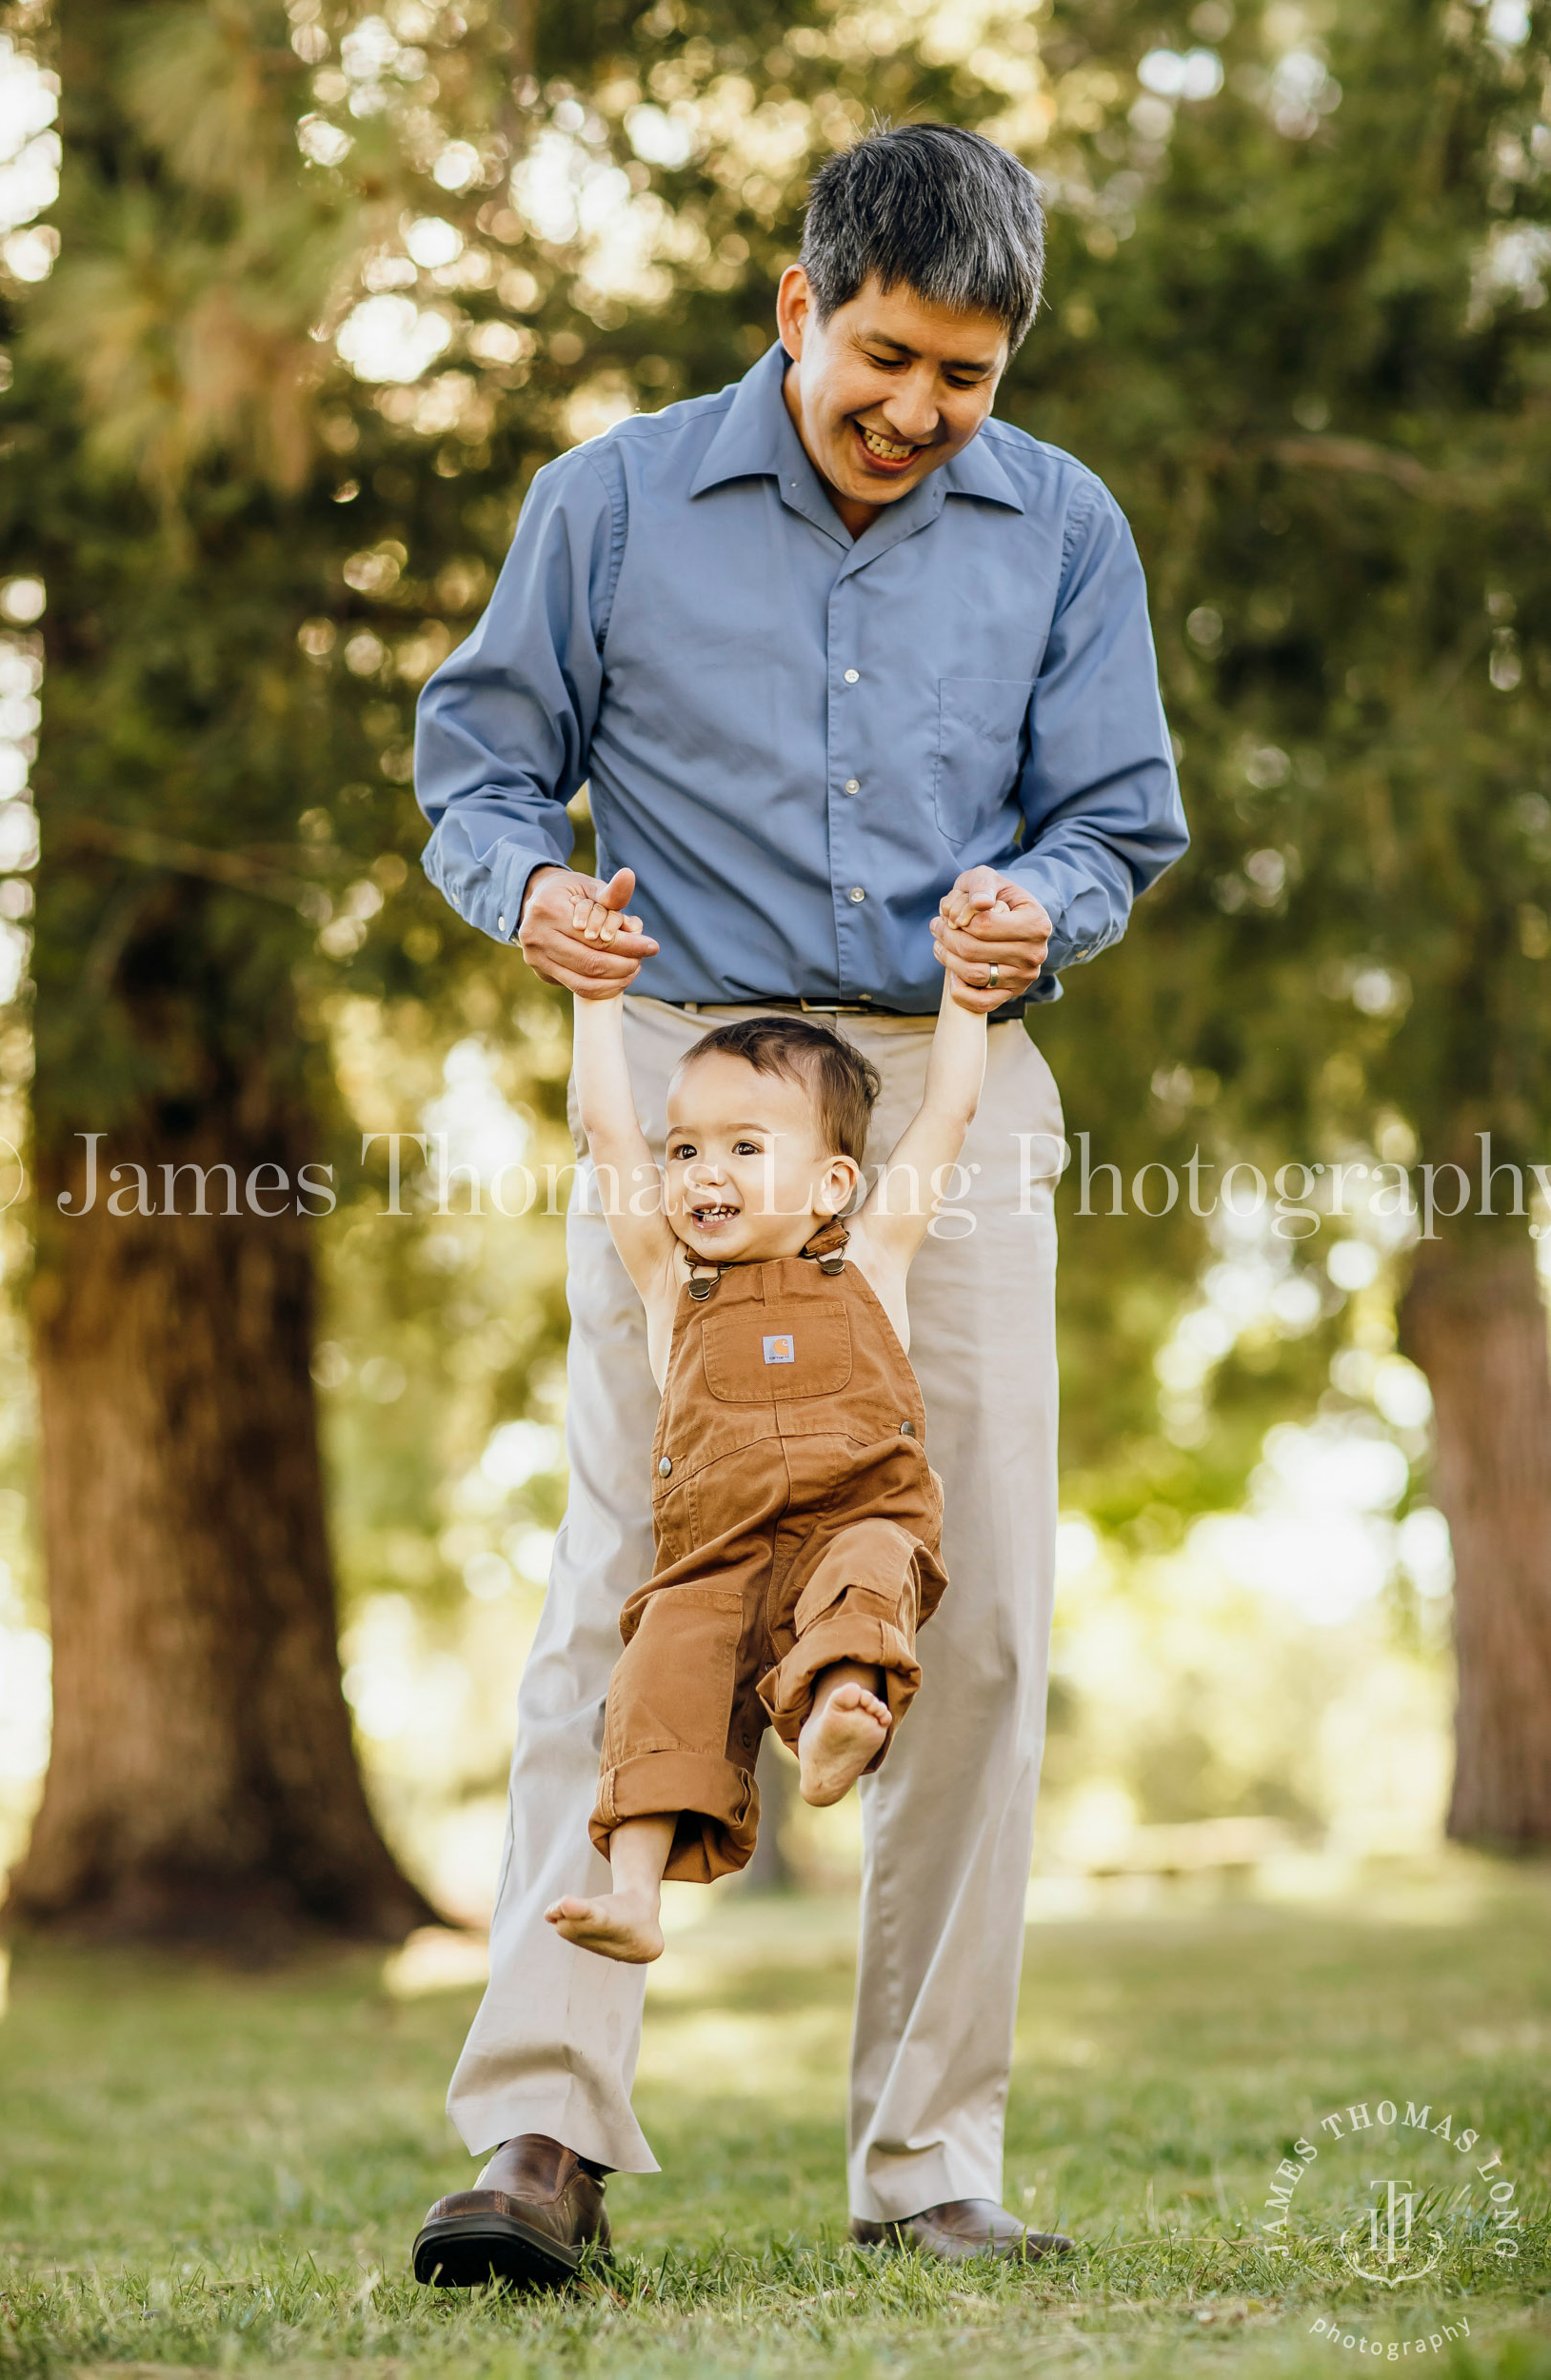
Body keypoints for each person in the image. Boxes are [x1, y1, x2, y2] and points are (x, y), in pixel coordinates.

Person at [411, 121, 1187, 2290]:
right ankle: (538, 2137)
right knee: (631, 1582)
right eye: (887, 359)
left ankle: (928, 2159)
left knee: (986, 1604)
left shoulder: (1062, 530)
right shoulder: (617, 500)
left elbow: (1118, 816)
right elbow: (477, 761)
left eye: (969, 376)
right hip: (684, 1070)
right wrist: (529, 887)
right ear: (796, 306)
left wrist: (1048, 900)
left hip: (949, 1075)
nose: (921, 413)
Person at [545, 891, 997, 1966]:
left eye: (744, 1147)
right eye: (689, 1149)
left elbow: (944, 1120)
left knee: (870, 1570)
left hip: (854, 1516)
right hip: (714, 1556)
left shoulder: (871, 1259)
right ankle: (634, 1897)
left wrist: (966, 1002)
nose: (705, 1172)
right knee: (659, 1677)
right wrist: (597, 999)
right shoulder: (669, 1283)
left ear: (832, 1181)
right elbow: (607, 1129)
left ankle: (839, 1714)